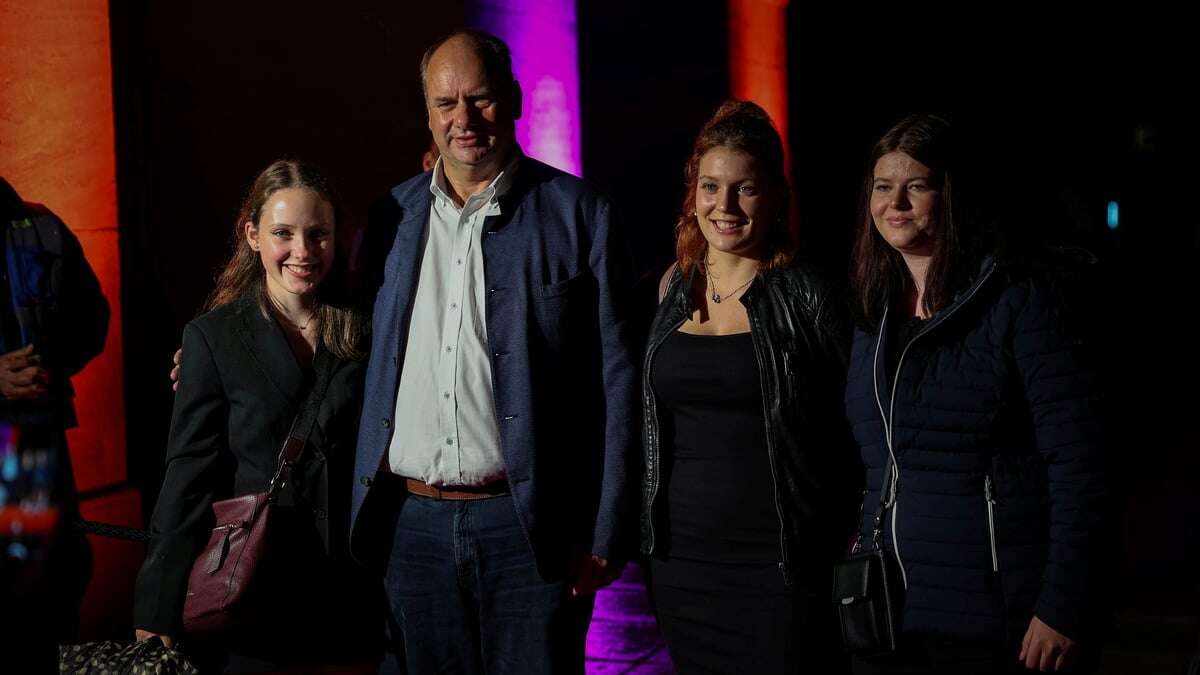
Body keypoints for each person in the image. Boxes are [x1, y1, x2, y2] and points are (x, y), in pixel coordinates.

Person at [348, 28, 640, 674]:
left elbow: (620, 381)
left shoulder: (580, 215)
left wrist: (606, 528)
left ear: (511, 99)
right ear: (426, 113)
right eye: (445, 103)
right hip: (412, 530)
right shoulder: (391, 219)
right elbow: (348, 346)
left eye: (478, 98)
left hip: (528, 532)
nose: (463, 119)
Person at [844, 114, 1109, 674]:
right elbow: (878, 462)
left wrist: (1063, 605)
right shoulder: (874, 317)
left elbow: (1080, 461)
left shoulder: (1018, 302)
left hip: (997, 617)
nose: (897, 203)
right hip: (893, 611)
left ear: (951, 195)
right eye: (883, 187)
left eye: (917, 185)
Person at [639, 100, 859, 674]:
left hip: (780, 567)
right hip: (680, 563)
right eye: (711, 186)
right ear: (693, 193)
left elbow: (860, 424)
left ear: (776, 196)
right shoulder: (670, 289)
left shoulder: (809, 295)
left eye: (746, 189)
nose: (725, 206)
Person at [133, 160, 379, 672]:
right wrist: (157, 601)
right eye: (283, 233)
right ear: (252, 235)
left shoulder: (368, 329)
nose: (303, 252)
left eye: (319, 234)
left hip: (354, 593)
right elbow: (188, 475)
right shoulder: (214, 337)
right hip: (258, 593)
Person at [0, 175, 109, 670]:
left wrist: (48, 362)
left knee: (43, 595)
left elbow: (91, 322)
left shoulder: (39, 225)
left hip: (29, 448)